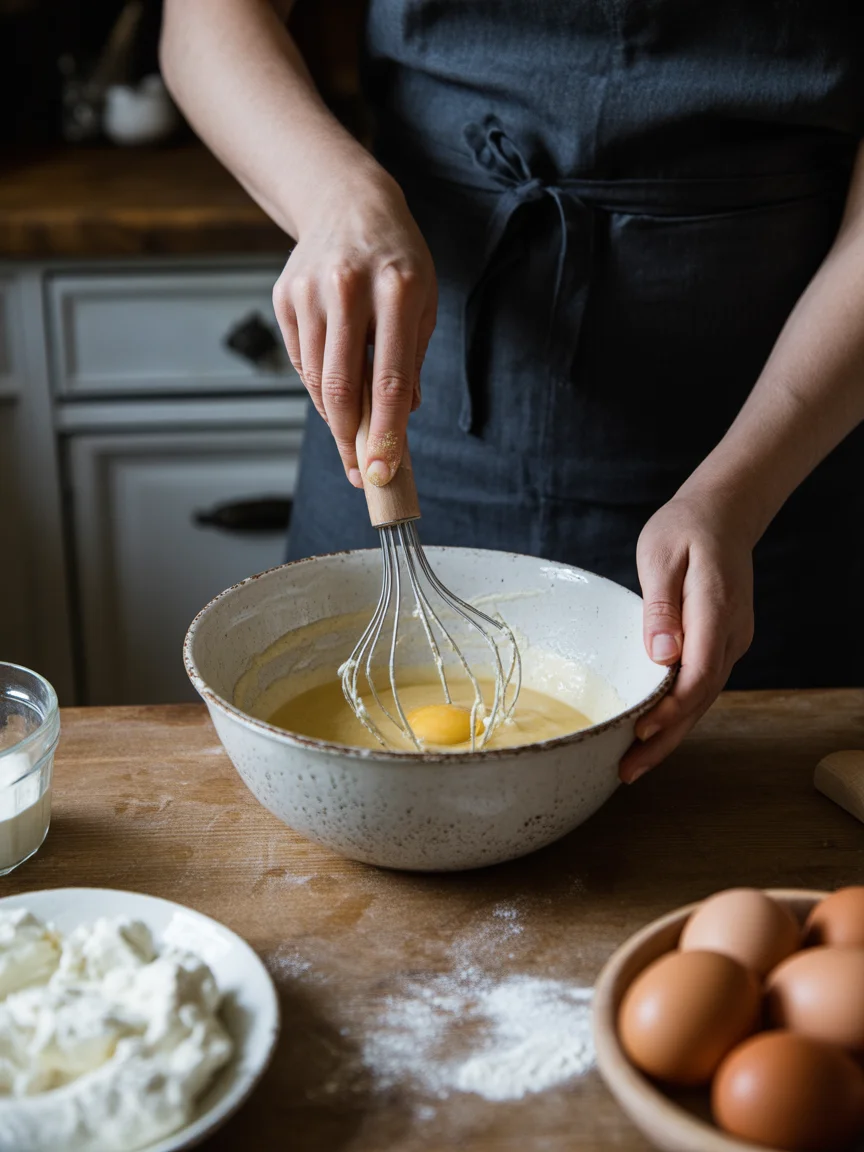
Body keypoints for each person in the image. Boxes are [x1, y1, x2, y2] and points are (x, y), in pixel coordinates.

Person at [160, 1, 864, 783]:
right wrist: (336, 201)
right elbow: (205, 22)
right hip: (421, 366)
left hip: (785, 423)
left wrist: (741, 492)